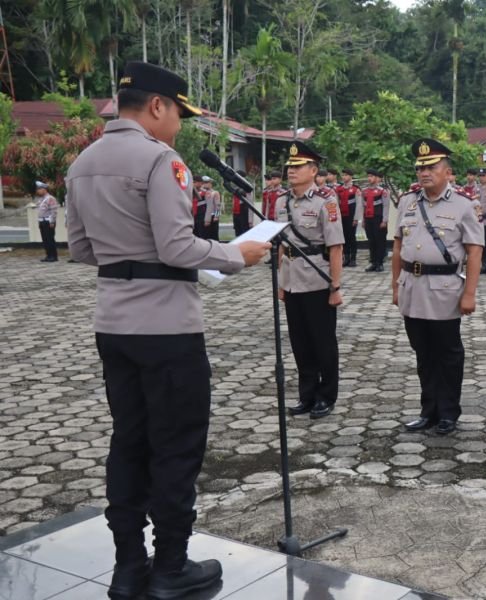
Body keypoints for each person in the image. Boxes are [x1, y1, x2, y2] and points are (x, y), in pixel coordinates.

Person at [65, 61, 271, 600]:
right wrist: (237, 254)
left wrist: (128, 259)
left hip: (112, 325)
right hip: (167, 329)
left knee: (128, 442)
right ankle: (172, 568)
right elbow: (179, 247)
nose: (179, 125)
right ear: (157, 106)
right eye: (178, 113)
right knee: (176, 447)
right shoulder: (161, 159)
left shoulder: (82, 162)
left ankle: (129, 567)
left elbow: (82, 250)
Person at [393, 139, 483, 435]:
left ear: (448, 171)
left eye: (431, 167)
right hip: (412, 288)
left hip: (444, 290)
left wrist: (469, 294)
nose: (424, 172)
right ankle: (428, 410)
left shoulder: (464, 204)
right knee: (423, 354)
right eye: (420, 168)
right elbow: (397, 246)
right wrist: (395, 286)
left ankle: (448, 412)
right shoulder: (407, 202)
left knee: (447, 354)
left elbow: (474, 251)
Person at [277, 142, 345, 419]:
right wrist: (281, 283)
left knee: (322, 342)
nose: (291, 171)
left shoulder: (326, 201)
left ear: (313, 170)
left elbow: (336, 246)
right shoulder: (282, 201)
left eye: (298, 166)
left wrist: (335, 287)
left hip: (317, 280)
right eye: (290, 167)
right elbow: (281, 243)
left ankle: (326, 396)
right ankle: (307, 395)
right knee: (300, 342)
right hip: (292, 279)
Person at [362, 168, 389, 272]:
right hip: (368, 219)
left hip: (379, 219)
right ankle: (373, 262)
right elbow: (363, 206)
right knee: (371, 241)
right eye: (368, 176)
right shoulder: (365, 191)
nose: (369, 178)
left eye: (372, 176)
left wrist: (385, 220)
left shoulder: (382, 191)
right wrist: (363, 220)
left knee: (380, 241)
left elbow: (386, 206)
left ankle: (380, 263)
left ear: (377, 178)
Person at [335, 168, 363, 267]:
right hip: (342, 215)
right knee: (344, 237)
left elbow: (359, 204)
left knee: (352, 237)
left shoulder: (355, 189)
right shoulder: (339, 189)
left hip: (351, 215)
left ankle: (353, 258)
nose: (344, 177)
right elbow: (336, 203)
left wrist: (356, 218)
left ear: (351, 176)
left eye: (346, 175)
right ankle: (346, 258)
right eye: (343, 175)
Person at [35, 181, 59, 262]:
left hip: (48, 222)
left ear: (44, 189)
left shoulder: (50, 198)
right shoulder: (41, 199)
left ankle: (53, 256)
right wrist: (39, 221)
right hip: (42, 222)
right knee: (45, 240)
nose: (38, 191)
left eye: (39, 189)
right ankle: (48, 255)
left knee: (50, 239)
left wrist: (52, 222)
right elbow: (40, 211)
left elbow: (54, 211)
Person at [231, 169, 252, 237]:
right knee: (237, 232)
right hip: (236, 213)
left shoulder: (247, 188)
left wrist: (216, 216)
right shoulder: (235, 188)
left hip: (243, 212)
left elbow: (250, 204)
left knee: (244, 233)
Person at [201, 176, 221, 241]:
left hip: (212, 216)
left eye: (207, 182)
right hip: (203, 216)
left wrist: (216, 216)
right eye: (204, 182)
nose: (206, 184)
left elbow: (217, 205)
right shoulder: (201, 192)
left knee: (213, 236)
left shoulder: (214, 192)